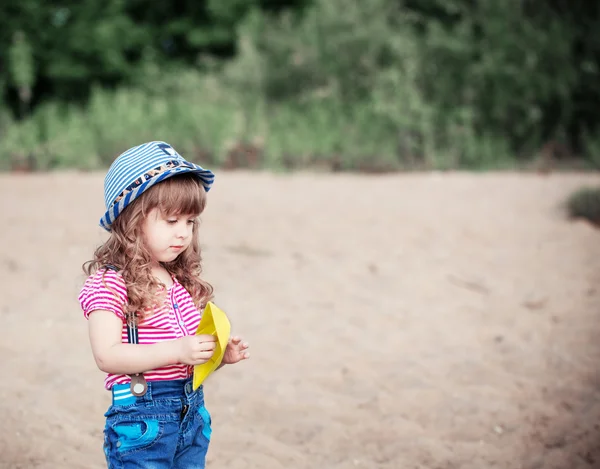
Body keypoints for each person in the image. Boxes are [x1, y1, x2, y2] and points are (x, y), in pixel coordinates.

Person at [78, 141, 250, 468]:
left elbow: (185, 360)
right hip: (144, 419)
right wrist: (178, 350)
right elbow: (107, 355)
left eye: (190, 222)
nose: (183, 234)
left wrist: (216, 357)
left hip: (191, 412)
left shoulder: (176, 278)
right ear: (132, 220)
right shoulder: (110, 281)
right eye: (171, 221)